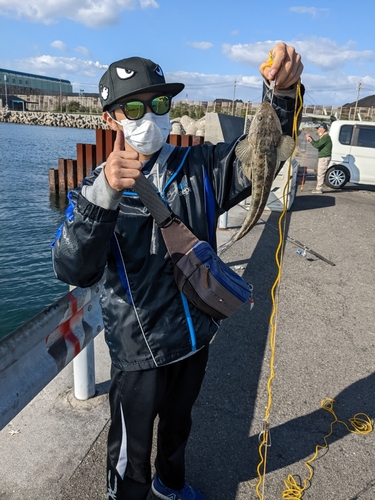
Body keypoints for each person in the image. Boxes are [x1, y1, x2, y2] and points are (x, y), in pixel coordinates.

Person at [52, 43, 304, 500]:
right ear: (111, 118)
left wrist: (281, 94)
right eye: (133, 107)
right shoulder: (91, 194)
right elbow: (72, 266)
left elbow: (262, 156)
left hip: (195, 335)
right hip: (138, 352)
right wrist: (106, 193)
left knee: (179, 425)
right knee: (131, 448)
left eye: (160, 103)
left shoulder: (202, 167)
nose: (149, 115)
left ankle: (171, 486)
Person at [306, 123, 333, 194]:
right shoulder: (324, 137)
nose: (317, 131)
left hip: (324, 157)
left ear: (323, 129)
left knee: (321, 173)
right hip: (323, 157)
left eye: (318, 129)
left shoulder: (326, 137)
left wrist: (310, 140)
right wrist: (311, 138)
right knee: (320, 173)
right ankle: (318, 188)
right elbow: (317, 143)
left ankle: (319, 189)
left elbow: (317, 145)